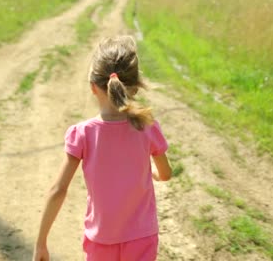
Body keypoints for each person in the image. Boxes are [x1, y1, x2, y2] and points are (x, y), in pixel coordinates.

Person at [33, 36, 172, 261]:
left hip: (101, 240)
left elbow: (58, 190)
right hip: (142, 238)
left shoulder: (83, 134)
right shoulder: (147, 126)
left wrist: (41, 243)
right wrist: (154, 174)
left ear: (93, 87)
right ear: (134, 88)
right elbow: (165, 174)